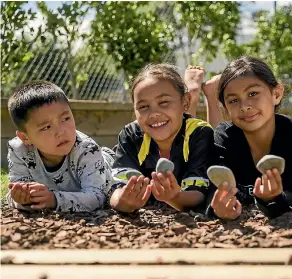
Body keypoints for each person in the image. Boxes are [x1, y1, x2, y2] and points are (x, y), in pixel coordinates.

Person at [205, 55, 292, 220]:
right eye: (233, 100)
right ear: (225, 107)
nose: (245, 106)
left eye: (253, 93)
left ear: (276, 94)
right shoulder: (224, 137)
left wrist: (273, 199)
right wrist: (218, 208)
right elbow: (215, 188)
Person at [109, 64, 214, 213]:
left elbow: (199, 196)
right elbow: (116, 191)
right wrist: (124, 201)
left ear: (185, 102)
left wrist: (174, 197)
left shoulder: (201, 133)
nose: (154, 113)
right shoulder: (131, 134)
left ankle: (196, 92)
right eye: (144, 106)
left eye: (163, 102)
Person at [6, 81, 114, 212]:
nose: (61, 131)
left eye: (65, 119)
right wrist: (23, 198)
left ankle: (111, 154)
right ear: (25, 138)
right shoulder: (19, 150)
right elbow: (15, 194)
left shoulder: (88, 150)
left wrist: (54, 200)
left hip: (105, 164)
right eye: (46, 127)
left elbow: (97, 198)